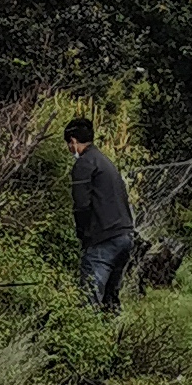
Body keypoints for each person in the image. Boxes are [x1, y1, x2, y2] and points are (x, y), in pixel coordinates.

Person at [66, 115, 139, 312]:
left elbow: (81, 205)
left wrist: (83, 234)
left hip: (104, 237)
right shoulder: (105, 162)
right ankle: (116, 337)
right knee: (110, 298)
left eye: (69, 145)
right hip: (125, 235)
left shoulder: (84, 164)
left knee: (90, 296)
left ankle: (88, 337)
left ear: (73, 141)